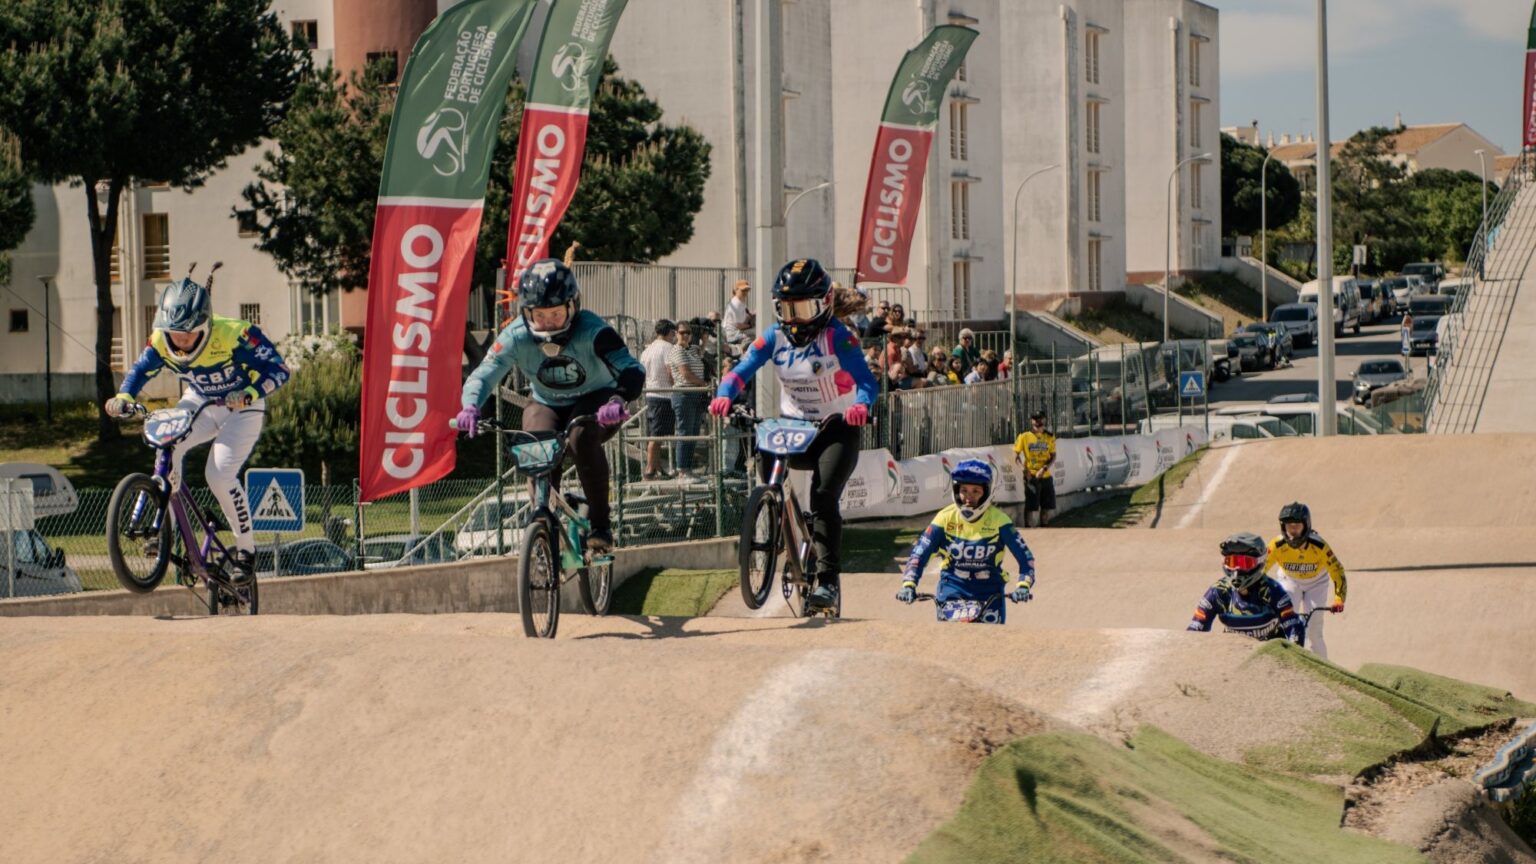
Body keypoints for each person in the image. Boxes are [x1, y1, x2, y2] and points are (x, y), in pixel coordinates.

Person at [708, 258, 879, 611]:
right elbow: (742, 370)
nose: (794, 317)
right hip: (792, 426)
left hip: (836, 427)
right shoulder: (774, 336)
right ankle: (773, 515)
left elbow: (866, 382)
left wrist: (861, 405)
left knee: (824, 496)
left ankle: (828, 580)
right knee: (766, 469)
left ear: (824, 303)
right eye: (786, 308)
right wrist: (725, 394)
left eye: (802, 308)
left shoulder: (839, 337)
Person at [106, 271, 290, 585]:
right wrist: (123, 396)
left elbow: (280, 370)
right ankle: (163, 529)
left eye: (189, 334)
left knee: (217, 474)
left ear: (205, 324)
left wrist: (249, 393)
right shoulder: (161, 340)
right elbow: (139, 371)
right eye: (174, 333)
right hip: (200, 400)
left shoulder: (237, 334)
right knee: (168, 444)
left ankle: (246, 551)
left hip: (242, 408)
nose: (181, 341)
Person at [456, 259, 643, 552]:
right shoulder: (515, 335)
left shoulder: (593, 330)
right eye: (539, 315)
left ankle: (600, 526)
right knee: (535, 447)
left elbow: (633, 369)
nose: (549, 322)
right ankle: (543, 524)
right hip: (546, 402)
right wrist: (470, 406)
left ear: (572, 306)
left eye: (556, 313)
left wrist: (619, 399)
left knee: (580, 438)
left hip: (597, 399)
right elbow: (485, 373)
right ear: (526, 312)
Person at [896, 460, 1036, 624]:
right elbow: (919, 553)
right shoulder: (944, 518)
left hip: (990, 593)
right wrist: (909, 584)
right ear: (956, 491)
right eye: (964, 490)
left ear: (987, 492)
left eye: (976, 491)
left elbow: (1026, 559)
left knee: (991, 644)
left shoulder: (1000, 521)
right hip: (951, 591)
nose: (969, 496)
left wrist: (1023, 586)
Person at [1188, 532, 1305, 643]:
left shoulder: (1272, 590)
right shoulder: (1218, 592)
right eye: (1232, 562)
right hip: (1233, 655)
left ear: (1260, 563)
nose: (1237, 570)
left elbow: (1293, 625)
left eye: (1245, 563)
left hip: (1271, 656)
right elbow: (1195, 630)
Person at [1266, 502, 1347, 658]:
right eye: (1290, 527)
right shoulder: (1276, 545)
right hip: (1289, 580)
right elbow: (1260, 569)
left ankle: (1323, 670)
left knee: (1314, 633)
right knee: (1286, 624)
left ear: (1306, 525)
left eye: (1297, 526)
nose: (1293, 531)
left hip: (1317, 584)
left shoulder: (1320, 545)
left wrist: (1339, 599)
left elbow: (1338, 572)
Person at [667, 321, 710, 478]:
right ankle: (682, 470)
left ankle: (688, 469)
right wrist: (704, 384)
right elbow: (686, 373)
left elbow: (701, 353)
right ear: (676, 333)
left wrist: (704, 340)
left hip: (696, 394)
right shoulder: (677, 350)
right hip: (684, 394)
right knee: (685, 432)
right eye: (682, 332)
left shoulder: (692, 349)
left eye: (688, 333)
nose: (685, 335)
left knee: (693, 432)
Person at [639, 319, 677, 480]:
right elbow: (670, 371)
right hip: (664, 395)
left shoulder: (647, 350)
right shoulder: (668, 348)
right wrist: (676, 384)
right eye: (674, 333)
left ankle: (657, 466)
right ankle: (649, 470)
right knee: (657, 435)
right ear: (669, 332)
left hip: (651, 394)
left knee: (658, 434)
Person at [1013, 410, 1057, 527]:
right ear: (1032, 421)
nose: (1037, 422)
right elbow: (1016, 457)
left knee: (1046, 506)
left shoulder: (1049, 436)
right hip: (1031, 476)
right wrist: (1024, 470)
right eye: (1035, 419)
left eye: (1040, 419)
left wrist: (1044, 469)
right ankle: (1028, 529)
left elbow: (1053, 456)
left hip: (1045, 475)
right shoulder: (1024, 436)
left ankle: (1044, 527)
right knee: (1031, 505)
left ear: (1044, 420)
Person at [721, 279, 756, 356]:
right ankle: (743, 350)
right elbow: (739, 325)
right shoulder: (736, 304)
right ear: (736, 290)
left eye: (746, 290)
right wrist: (750, 325)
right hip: (733, 334)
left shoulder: (738, 302)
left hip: (735, 332)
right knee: (757, 331)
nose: (745, 292)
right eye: (743, 290)